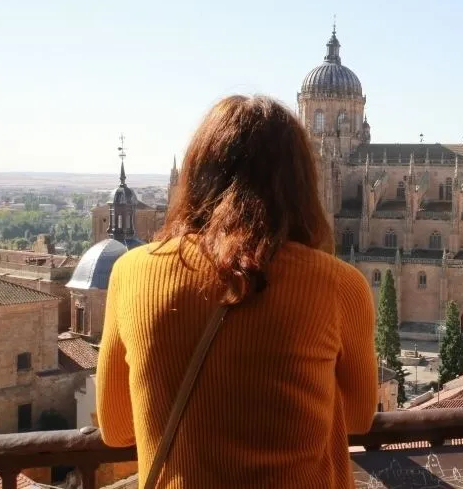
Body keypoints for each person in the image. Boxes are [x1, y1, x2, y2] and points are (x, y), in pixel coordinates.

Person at [96, 95, 378, 488]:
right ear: (304, 182)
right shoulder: (340, 284)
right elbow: (361, 417)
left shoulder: (130, 272)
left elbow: (116, 427)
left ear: (194, 175)